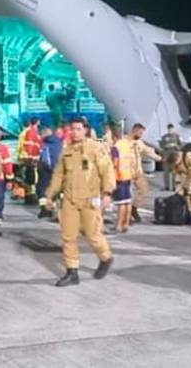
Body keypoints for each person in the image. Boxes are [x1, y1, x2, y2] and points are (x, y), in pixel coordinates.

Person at [43, 117, 116, 286]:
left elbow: (107, 170)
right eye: (72, 129)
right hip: (70, 200)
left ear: (85, 130)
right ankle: (72, 272)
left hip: (90, 200)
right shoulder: (66, 151)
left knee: (93, 235)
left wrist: (107, 193)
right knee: (68, 237)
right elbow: (58, 175)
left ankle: (105, 257)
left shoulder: (95, 148)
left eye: (78, 129)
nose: (75, 132)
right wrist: (50, 195)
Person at [129, 123, 162, 224]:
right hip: (126, 172)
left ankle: (134, 208)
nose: (141, 135)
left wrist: (160, 159)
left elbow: (148, 151)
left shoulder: (139, 143)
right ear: (134, 130)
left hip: (138, 171)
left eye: (142, 133)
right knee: (127, 193)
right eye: (140, 133)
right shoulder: (124, 142)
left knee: (144, 190)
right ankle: (126, 215)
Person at [107, 124, 136, 233]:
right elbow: (132, 159)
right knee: (128, 201)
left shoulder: (115, 147)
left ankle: (119, 225)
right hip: (128, 175)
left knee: (121, 202)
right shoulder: (126, 144)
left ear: (113, 135)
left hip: (119, 176)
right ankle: (126, 224)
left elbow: (115, 162)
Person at [37, 121, 63, 219]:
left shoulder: (45, 143)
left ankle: (45, 210)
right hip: (58, 169)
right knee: (55, 189)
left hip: (46, 170)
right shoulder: (59, 142)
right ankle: (54, 209)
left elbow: (43, 157)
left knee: (41, 189)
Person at [17, 118, 43, 204]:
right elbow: (33, 146)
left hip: (24, 157)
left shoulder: (23, 133)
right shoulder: (32, 132)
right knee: (32, 176)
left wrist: (19, 156)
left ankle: (28, 195)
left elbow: (20, 146)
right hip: (30, 157)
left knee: (26, 176)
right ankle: (32, 196)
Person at [158, 124, 182, 192]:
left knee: (174, 172)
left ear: (173, 129)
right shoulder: (164, 137)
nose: (170, 131)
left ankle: (174, 187)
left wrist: (176, 146)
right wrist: (166, 146)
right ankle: (166, 186)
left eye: (171, 129)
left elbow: (181, 145)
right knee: (166, 172)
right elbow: (161, 145)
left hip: (174, 155)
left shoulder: (177, 136)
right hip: (166, 156)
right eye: (169, 129)